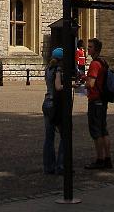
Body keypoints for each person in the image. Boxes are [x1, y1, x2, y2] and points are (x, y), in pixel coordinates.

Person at [84, 37, 112, 170]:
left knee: (96, 132)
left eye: (90, 47)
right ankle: (107, 158)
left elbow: (91, 83)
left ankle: (100, 159)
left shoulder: (95, 63)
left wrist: (84, 82)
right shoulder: (103, 62)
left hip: (95, 100)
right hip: (103, 99)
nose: (87, 49)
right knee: (103, 130)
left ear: (96, 49)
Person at [42, 47, 65, 175]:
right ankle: (61, 165)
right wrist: (71, 85)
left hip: (46, 103)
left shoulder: (48, 68)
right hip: (55, 104)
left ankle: (48, 167)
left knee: (49, 137)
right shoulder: (58, 69)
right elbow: (58, 87)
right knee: (65, 135)